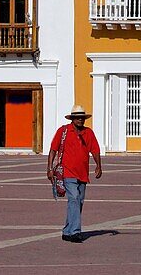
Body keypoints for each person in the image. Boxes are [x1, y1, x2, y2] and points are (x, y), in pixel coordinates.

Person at [47, 104, 102, 243]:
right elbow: (53, 149)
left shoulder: (88, 133)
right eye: (77, 118)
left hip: (83, 174)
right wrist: (49, 168)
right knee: (74, 198)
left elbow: (95, 150)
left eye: (82, 118)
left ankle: (67, 231)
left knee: (79, 201)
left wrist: (98, 166)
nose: (80, 120)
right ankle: (75, 232)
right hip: (67, 172)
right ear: (72, 119)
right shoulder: (64, 131)